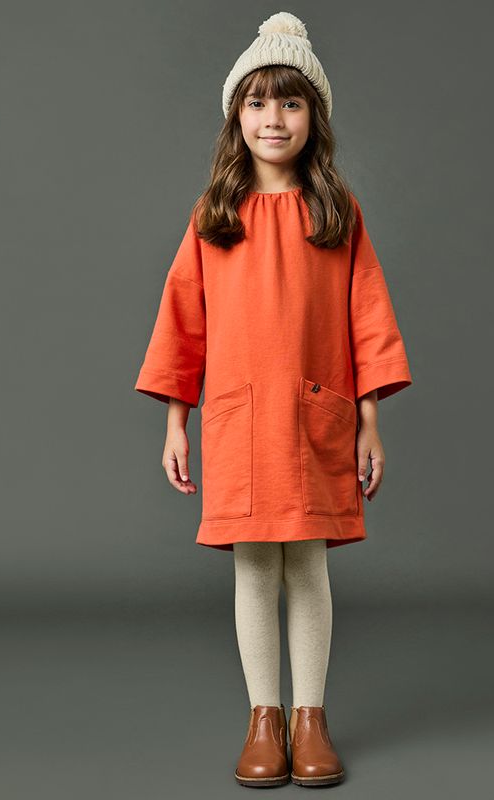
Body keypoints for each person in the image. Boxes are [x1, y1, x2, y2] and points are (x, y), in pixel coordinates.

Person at [134, 11, 412, 788]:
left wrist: (370, 423)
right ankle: (265, 719)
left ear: (314, 116)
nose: (273, 119)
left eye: (290, 103)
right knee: (255, 566)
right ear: (237, 116)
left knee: (307, 563)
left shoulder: (337, 214)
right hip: (236, 417)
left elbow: (368, 320)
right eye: (257, 102)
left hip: (316, 415)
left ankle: (309, 719)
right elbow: (182, 322)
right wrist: (176, 422)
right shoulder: (213, 218)